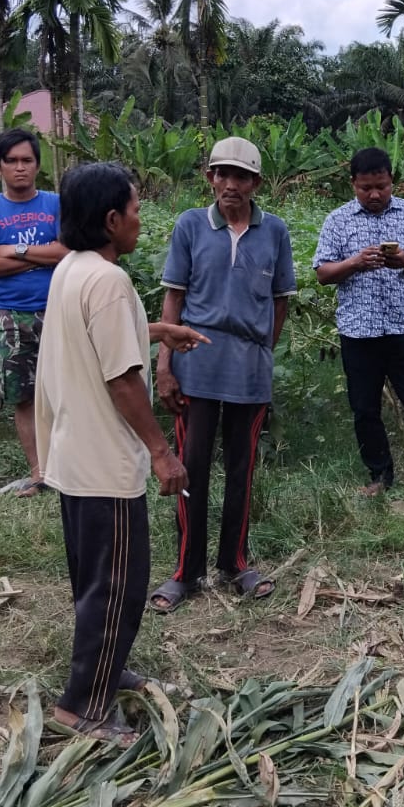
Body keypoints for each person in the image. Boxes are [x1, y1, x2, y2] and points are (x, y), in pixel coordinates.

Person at [34, 161, 208, 746]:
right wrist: (162, 451)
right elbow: (124, 380)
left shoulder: (74, 270)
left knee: (96, 582)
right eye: (135, 209)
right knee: (118, 587)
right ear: (111, 220)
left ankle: (106, 673)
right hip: (106, 464)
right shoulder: (110, 282)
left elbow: (102, 335)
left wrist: (161, 331)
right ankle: (82, 705)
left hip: (74, 457)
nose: (141, 219)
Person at [150, 136, 295, 611]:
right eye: (221, 174)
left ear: (255, 182)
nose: (230, 185)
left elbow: (279, 303)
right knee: (189, 469)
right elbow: (174, 297)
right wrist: (164, 365)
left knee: (242, 470)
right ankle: (185, 573)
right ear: (210, 178)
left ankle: (234, 564)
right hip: (197, 367)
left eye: (240, 177)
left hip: (249, 372)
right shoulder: (190, 225)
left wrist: (260, 353)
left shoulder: (275, 232)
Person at [312, 147, 404, 497]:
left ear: (392, 182)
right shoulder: (337, 220)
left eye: (381, 187)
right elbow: (323, 273)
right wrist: (354, 262)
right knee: (365, 408)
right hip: (358, 332)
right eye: (365, 187)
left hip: (403, 329)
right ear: (352, 183)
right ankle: (380, 476)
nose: (374, 194)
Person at [0, 128, 66, 498]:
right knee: (22, 396)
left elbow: (65, 252)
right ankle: (39, 473)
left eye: (27, 160)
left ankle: (67, 468)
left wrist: (14, 251)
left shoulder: (56, 204)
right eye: (11, 161)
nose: (20, 168)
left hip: (57, 310)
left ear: (38, 165)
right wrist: (36, 257)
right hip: (11, 316)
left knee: (63, 392)